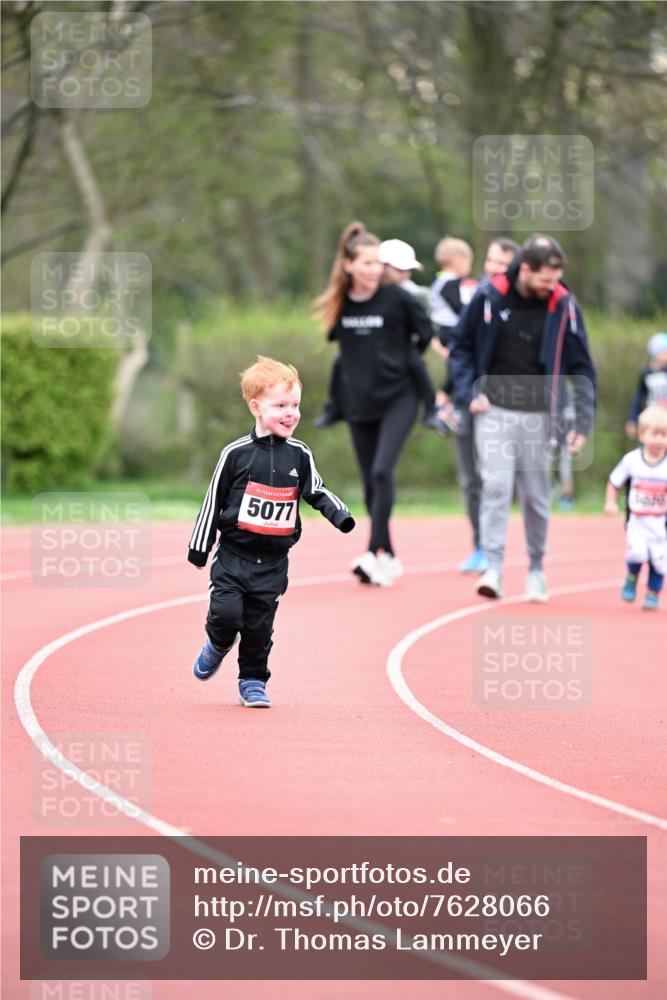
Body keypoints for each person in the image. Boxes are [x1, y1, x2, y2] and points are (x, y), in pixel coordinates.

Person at [188, 356, 355, 707]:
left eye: (295, 405)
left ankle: (252, 681)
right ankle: (217, 643)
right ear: (256, 408)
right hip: (234, 557)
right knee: (226, 615)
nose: (290, 412)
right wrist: (200, 547)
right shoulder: (235, 454)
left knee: (259, 627)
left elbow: (317, 490)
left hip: (274, 564)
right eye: (280, 405)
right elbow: (213, 500)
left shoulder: (300, 454)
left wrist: (339, 514)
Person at [448, 233, 596, 602]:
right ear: (526, 270)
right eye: (545, 279)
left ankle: (535, 570)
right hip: (494, 410)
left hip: (541, 416)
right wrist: (469, 392)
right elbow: (460, 347)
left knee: (536, 497)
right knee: (495, 485)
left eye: (555, 279)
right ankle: (494, 569)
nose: (552, 286)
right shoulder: (489, 296)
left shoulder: (563, 304)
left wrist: (582, 421)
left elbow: (582, 366)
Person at [313, 221, 433, 587]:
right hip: (359, 404)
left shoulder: (398, 299)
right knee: (370, 481)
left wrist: (400, 359)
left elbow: (425, 334)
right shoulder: (341, 303)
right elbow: (339, 346)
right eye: (366, 263)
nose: (374, 270)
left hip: (399, 397)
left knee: (382, 472)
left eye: (377, 263)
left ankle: (372, 552)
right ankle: (390, 552)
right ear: (348, 265)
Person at [315, 237, 446, 434]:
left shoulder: (408, 294)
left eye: (407, 271)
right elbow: (336, 333)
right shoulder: (357, 295)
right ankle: (333, 407)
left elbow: (425, 330)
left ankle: (431, 409)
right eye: (399, 269)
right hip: (367, 352)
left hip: (401, 347)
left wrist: (411, 352)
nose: (404, 275)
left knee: (415, 363)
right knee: (341, 362)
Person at [447, 238, 520, 573]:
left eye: (502, 264)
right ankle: (480, 546)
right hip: (471, 404)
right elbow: (459, 349)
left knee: (498, 480)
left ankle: (496, 549)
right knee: (471, 479)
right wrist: (462, 392)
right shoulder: (479, 296)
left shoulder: (527, 304)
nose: (493, 268)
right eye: (490, 261)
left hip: (508, 408)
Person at [605, 405, 667, 611]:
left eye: (664, 435)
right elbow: (614, 482)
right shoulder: (632, 460)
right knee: (637, 553)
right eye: (655, 434)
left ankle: (653, 593)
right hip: (637, 521)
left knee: (659, 561)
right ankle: (632, 576)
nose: (659, 440)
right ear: (642, 435)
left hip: (660, 524)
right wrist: (610, 502)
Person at [625, 332, 667, 439]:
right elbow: (638, 397)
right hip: (650, 417)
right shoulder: (646, 373)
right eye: (663, 351)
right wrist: (633, 419)